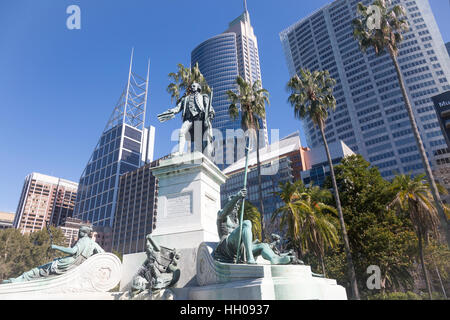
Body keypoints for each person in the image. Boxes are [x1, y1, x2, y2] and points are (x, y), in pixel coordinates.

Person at [213, 188, 292, 265]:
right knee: (246, 223)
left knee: (263, 246)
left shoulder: (236, 221)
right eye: (234, 206)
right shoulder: (222, 215)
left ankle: (274, 259)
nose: (236, 208)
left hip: (240, 248)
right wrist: (237, 197)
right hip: (226, 246)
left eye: (237, 207)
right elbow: (225, 211)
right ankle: (250, 257)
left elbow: (242, 238)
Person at [2, 226, 104, 283]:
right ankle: (19, 280)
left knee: (39, 270)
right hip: (76, 265)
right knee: (43, 271)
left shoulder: (82, 240)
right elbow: (103, 254)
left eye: (79, 231)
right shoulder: (93, 243)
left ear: (83, 233)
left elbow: (73, 251)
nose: (78, 233)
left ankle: (18, 281)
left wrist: (56, 246)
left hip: (68, 263)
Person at [157, 82, 215, 157]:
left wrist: (210, 113)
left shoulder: (203, 97)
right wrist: (170, 112)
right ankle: (180, 152)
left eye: (194, 86)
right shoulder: (185, 99)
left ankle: (202, 153)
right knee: (182, 132)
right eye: (191, 86)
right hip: (189, 119)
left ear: (198, 88)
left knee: (199, 137)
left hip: (199, 117)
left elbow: (208, 107)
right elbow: (177, 108)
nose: (192, 87)